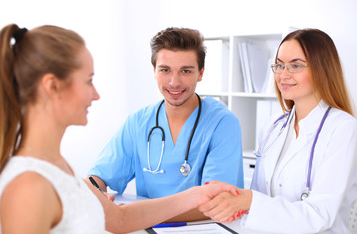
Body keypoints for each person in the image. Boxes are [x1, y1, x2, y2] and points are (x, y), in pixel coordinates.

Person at [0, 23, 239, 234]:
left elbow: (120, 219)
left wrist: (198, 195)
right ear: (52, 86)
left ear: (200, 73)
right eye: (88, 80)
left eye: (185, 71)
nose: (96, 94)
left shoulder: (59, 166)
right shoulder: (28, 187)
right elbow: (113, 204)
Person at [198, 28, 357, 233]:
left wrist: (248, 201)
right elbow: (259, 197)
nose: (283, 75)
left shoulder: (344, 129)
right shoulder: (273, 126)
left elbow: (320, 215)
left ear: (323, 68)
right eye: (279, 65)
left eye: (296, 65)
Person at [88, 27, 243, 221]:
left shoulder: (222, 124)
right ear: (154, 71)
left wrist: (132, 215)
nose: (174, 82)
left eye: (185, 71)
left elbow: (216, 202)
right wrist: (94, 194)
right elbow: (98, 176)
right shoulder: (138, 122)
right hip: (149, 227)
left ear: (201, 73)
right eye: (165, 70)